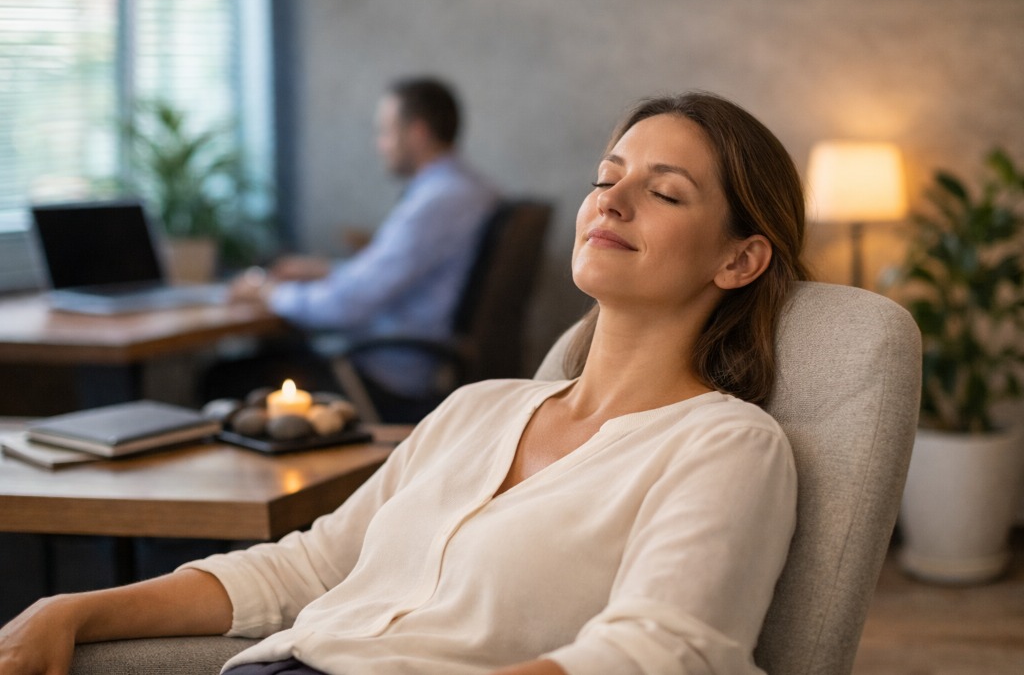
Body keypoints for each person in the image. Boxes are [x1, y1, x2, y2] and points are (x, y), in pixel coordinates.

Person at [0, 91, 810, 675]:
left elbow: (661, 654)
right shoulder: (475, 409)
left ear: (739, 259)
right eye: (607, 176)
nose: (614, 200)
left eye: (665, 191)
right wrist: (71, 609)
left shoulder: (724, 444)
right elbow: (309, 570)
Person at [221, 76, 499, 409]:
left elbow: (348, 305)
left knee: (225, 377)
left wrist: (268, 292)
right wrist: (324, 271)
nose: (379, 144)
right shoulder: (472, 189)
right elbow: (387, 275)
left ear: (418, 133)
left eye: (385, 131)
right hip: (414, 360)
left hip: (385, 374)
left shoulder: (437, 201)